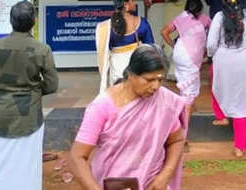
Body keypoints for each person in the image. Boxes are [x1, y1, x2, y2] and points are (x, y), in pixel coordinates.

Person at [68, 45, 187, 190]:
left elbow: (176, 140)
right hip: (115, 185)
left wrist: (165, 175)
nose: (156, 86)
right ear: (131, 74)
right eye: (149, 79)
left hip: (152, 183)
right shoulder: (102, 106)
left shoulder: (165, 101)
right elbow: (77, 157)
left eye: (160, 79)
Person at [0, 0, 59, 190]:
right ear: (34, 21)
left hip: (1, 116)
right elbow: (52, 84)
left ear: (10, 20)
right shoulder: (42, 49)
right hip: (29, 118)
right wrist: (33, 90)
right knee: (27, 164)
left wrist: (1, 88)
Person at [206, 0, 246, 157]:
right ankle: (240, 147)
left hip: (223, 60)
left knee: (219, 88)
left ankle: (222, 115)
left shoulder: (218, 17)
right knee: (244, 102)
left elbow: (210, 44)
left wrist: (212, 55)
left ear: (223, 2)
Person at [161, 0, 211, 125]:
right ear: (200, 9)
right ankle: (182, 128)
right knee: (189, 94)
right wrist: (206, 50)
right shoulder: (204, 19)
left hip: (179, 54)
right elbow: (213, 34)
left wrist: (174, 46)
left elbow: (164, 32)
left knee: (185, 86)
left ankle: (183, 109)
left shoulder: (181, 17)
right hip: (191, 58)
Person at [96, 0, 155, 92]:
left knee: (118, 94)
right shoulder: (141, 22)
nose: (135, 3)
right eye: (132, 1)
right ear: (126, 5)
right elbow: (150, 46)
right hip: (136, 64)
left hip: (116, 66)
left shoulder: (106, 27)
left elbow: (106, 49)